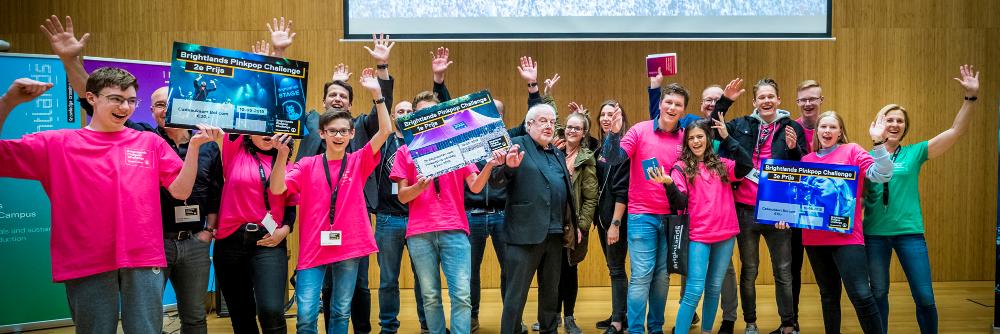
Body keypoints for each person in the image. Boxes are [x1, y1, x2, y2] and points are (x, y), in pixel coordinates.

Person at [0, 70, 221, 334]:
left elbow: (181, 191)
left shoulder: (149, 142)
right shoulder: (57, 143)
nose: (125, 107)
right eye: (116, 99)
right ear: (91, 97)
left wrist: (194, 147)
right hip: (87, 259)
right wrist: (8, 101)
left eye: (131, 100)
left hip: (143, 257)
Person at [269, 67, 391, 334]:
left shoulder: (358, 161)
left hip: (349, 245)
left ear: (351, 135)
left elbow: (384, 130)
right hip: (313, 248)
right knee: (306, 316)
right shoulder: (306, 165)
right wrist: (280, 156)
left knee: (340, 311)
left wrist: (377, 94)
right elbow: (277, 189)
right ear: (321, 133)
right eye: (332, 131)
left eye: (343, 131)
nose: (338, 135)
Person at [863, 64, 980, 334]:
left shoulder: (916, 152)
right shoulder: (863, 156)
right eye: (888, 119)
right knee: (878, 294)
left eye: (899, 121)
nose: (894, 124)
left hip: (909, 234)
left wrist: (970, 98)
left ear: (905, 127)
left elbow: (955, 132)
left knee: (925, 297)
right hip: (875, 235)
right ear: (878, 124)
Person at [295, 34, 396, 334]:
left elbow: (384, 122)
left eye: (343, 97)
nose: (338, 99)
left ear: (352, 107)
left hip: (353, 219)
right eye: (332, 95)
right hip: (317, 223)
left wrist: (381, 69)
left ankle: (361, 330)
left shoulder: (362, 126)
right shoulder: (313, 123)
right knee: (320, 294)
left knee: (358, 287)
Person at [391, 91, 503, 334]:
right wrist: (418, 187)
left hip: (455, 229)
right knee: (430, 296)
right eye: (421, 112)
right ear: (415, 117)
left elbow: (474, 185)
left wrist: (491, 165)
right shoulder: (405, 152)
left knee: (462, 295)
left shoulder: (457, 145)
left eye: (432, 111)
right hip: (420, 232)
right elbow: (402, 196)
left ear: (441, 116)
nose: (427, 116)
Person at [712, 78, 807, 334]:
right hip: (744, 210)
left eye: (771, 96)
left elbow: (803, 168)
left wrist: (793, 149)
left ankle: (788, 324)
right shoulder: (740, 125)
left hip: (779, 212)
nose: (766, 101)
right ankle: (751, 323)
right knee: (749, 271)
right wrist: (725, 101)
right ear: (754, 102)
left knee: (784, 271)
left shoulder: (791, 128)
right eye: (761, 97)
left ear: (778, 100)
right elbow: (711, 128)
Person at [785, 110, 892, 333]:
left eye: (833, 127)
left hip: (847, 238)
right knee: (828, 296)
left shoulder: (852, 150)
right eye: (823, 126)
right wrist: (784, 217)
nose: (827, 131)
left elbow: (882, 175)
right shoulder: (806, 160)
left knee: (861, 294)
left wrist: (878, 142)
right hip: (815, 239)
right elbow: (798, 202)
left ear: (840, 131)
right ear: (817, 131)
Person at [653, 77, 742, 333]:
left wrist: (727, 139)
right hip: (699, 235)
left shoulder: (722, 164)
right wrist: (669, 183)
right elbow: (680, 202)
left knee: (714, 288)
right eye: (691, 138)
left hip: (725, 234)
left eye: (701, 137)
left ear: (707, 138)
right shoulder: (680, 167)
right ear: (687, 141)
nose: (696, 141)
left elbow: (745, 166)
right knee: (693, 290)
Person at [495, 97, 580, 334]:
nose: (549, 126)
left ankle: (549, 330)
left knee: (551, 294)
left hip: (554, 234)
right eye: (543, 121)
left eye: (552, 121)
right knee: (516, 295)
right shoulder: (515, 144)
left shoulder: (557, 153)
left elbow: (565, 191)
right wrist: (508, 167)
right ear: (529, 124)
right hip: (524, 234)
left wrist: (573, 224)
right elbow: (496, 181)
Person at [621, 82, 690, 334]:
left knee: (662, 278)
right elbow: (615, 157)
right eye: (668, 102)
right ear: (659, 103)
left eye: (678, 105)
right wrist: (614, 134)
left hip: (673, 218)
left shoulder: (686, 137)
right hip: (642, 215)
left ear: (683, 110)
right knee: (641, 276)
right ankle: (637, 329)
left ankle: (656, 327)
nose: (672, 107)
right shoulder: (639, 130)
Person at [554, 111, 599, 334]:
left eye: (577, 128)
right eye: (569, 127)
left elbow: (591, 198)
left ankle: (569, 316)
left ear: (584, 133)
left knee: (569, 270)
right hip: (550, 222)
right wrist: (547, 95)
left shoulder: (586, 158)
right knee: (551, 271)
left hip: (573, 224)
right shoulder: (553, 151)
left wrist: (582, 226)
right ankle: (552, 316)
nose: (572, 131)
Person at [591, 100, 630, 334]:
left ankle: (618, 322)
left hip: (617, 220)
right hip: (603, 220)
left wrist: (615, 224)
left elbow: (621, 190)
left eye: (612, 114)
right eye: (603, 114)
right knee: (613, 267)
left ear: (621, 119)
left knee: (616, 269)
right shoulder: (600, 149)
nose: (606, 118)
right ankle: (619, 313)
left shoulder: (623, 148)